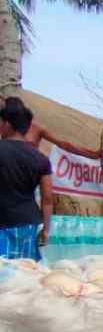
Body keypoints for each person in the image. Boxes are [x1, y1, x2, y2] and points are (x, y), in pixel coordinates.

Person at [0, 97, 52, 260]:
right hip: (29, 224)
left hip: (3, 222)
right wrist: (46, 229)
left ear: (7, 124)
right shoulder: (41, 158)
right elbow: (48, 199)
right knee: (26, 275)